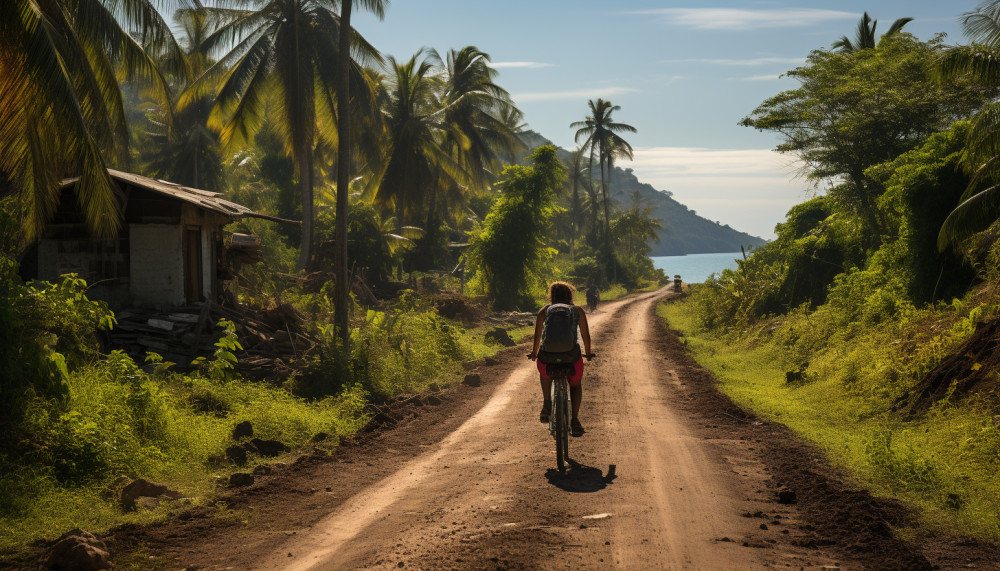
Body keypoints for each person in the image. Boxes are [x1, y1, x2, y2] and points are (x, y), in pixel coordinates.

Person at [528, 281, 593, 437]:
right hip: (571, 357)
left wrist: (534, 353)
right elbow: (585, 335)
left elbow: (537, 336)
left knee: (544, 374)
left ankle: (546, 404)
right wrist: (588, 354)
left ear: (552, 295)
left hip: (547, 357)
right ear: (570, 294)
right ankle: (575, 420)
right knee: (576, 385)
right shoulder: (577, 310)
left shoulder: (545, 310)